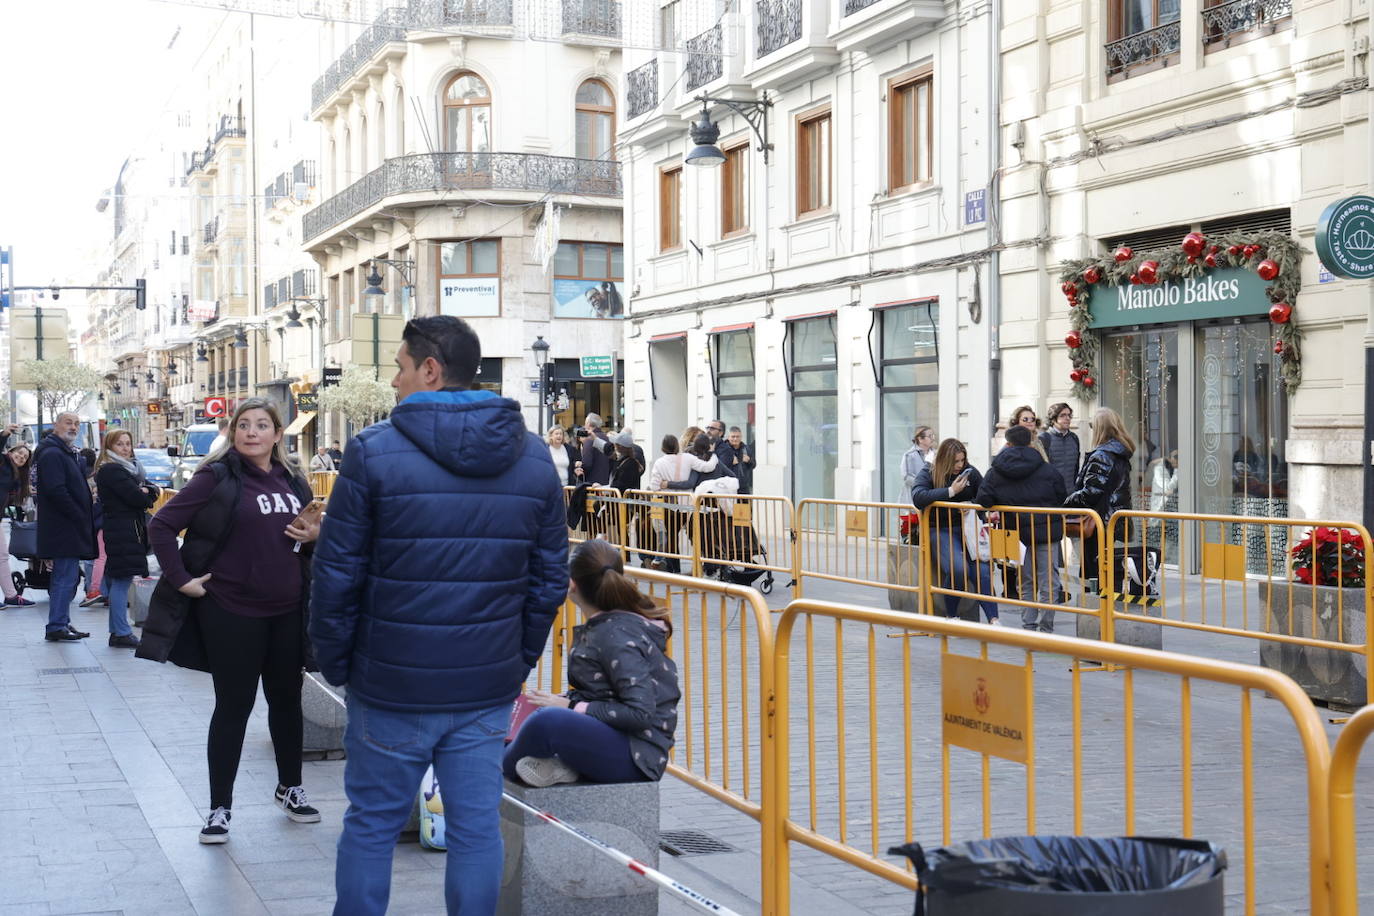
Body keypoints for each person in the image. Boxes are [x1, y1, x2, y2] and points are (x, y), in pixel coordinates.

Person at [310, 315, 568, 916]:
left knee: (372, 825)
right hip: (483, 684)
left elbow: (337, 572)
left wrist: (337, 659)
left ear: (430, 369)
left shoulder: (373, 451)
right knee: (476, 829)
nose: (394, 381)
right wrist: (515, 660)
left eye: (399, 367)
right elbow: (548, 580)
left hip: (390, 683)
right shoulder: (533, 459)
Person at [142, 398, 322, 844]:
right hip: (232, 612)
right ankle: (219, 807)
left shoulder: (294, 481)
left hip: (287, 611)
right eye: (244, 425)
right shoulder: (215, 477)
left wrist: (315, 536)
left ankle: (290, 787)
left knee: (286, 703)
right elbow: (161, 525)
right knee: (233, 708)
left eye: (262, 425)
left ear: (278, 434)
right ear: (233, 432)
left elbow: (304, 544)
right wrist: (182, 580)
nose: (253, 432)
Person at [505, 538, 680, 786]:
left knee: (546, 721)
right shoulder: (609, 627)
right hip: (618, 740)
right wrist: (566, 702)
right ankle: (555, 764)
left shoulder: (616, 636)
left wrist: (569, 707)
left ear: (571, 585)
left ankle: (495, 768)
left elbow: (639, 713)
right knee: (521, 715)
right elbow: (604, 696)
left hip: (637, 756)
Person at [977, 425, 1067, 632]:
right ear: (1030, 442)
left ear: (1007, 444)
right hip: (1047, 531)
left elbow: (984, 498)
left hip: (1018, 532)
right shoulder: (1046, 468)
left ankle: (1028, 626)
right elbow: (1061, 494)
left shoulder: (997, 469)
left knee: (1026, 580)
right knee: (1048, 581)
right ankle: (1046, 629)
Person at [911, 438, 1000, 624]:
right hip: (940, 529)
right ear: (945, 460)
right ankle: (952, 616)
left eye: (962, 460)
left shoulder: (970, 472)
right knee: (958, 568)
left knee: (982, 571)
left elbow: (986, 495)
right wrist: (950, 491)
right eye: (955, 462)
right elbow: (918, 497)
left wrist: (972, 505)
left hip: (969, 528)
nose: (959, 465)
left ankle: (994, 619)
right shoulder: (929, 472)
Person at [34, 412, 98, 642]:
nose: (73, 427)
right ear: (56, 425)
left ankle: (62, 622)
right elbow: (56, 490)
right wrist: (78, 513)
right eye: (68, 422)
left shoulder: (63, 451)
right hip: (63, 528)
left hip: (67, 527)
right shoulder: (52, 453)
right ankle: (56, 626)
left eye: (77, 423)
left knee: (68, 577)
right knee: (64, 577)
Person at [94, 430, 160, 648]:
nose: (125, 448)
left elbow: (150, 491)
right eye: (119, 444)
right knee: (122, 580)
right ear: (110, 447)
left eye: (128, 443)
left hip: (124, 528)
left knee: (118, 578)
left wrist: (146, 491)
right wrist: (145, 493)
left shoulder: (127, 470)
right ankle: (121, 632)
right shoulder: (113, 470)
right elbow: (137, 498)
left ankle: (117, 631)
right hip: (123, 529)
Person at [1064, 407, 1136, 586]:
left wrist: (1067, 501)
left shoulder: (1103, 455)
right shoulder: (1120, 453)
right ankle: (1104, 608)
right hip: (1111, 518)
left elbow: (1091, 492)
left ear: (1099, 428)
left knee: (1095, 572)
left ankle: (1096, 611)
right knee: (1107, 569)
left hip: (1100, 520)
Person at [647, 435, 718, 573]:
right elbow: (708, 467)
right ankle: (700, 565)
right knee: (694, 534)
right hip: (687, 504)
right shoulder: (687, 458)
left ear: (663, 448)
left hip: (668, 505)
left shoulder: (659, 463)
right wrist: (713, 454)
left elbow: (654, 486)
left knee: (672, 536)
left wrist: (666, 485)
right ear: (677, 446)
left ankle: (675, 569)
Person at [0, 441, 36, 608]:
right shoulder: (3, 462)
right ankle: (11, 595)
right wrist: (5, 434)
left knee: (2, 556)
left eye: (25, 457)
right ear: (11, 451)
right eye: (19, 453)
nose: (21, 457)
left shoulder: (15, 476)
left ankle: (11, 595)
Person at [1039, 403, 1081, 494]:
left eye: (1069, 415)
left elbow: (1076, 468)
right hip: (1051, 495)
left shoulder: (1074, 438)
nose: (1067, 418)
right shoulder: (1044, 438)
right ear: (1053, 419)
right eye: (1063, 415)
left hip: (1071, 494)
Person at [578, 412, 613, 486]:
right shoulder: (608, 439)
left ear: (588, 424)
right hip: (606, 483)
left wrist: (580, 473)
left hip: (592, 484)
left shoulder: (589, 440)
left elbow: (587, 464)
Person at [902, 426, 936, 493]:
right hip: (913, 497)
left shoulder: (936, 454)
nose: (933, 439)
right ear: (920, 439)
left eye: (933, 436)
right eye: (930, 436)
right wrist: (923, 483)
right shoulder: (909, 455)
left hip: (931, 495)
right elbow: (907, 477)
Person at [725, 426, 754, 494]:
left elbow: (754, 464)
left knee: (745, 504)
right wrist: (731, 461)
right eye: (733, 436)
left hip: (743, 487)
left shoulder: (746, 448)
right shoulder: (724, 449)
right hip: (727, 487)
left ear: (741, 437)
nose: (735, 439)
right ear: (728, 437)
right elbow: (720, 466)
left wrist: (749, 461)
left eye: (738, 436)